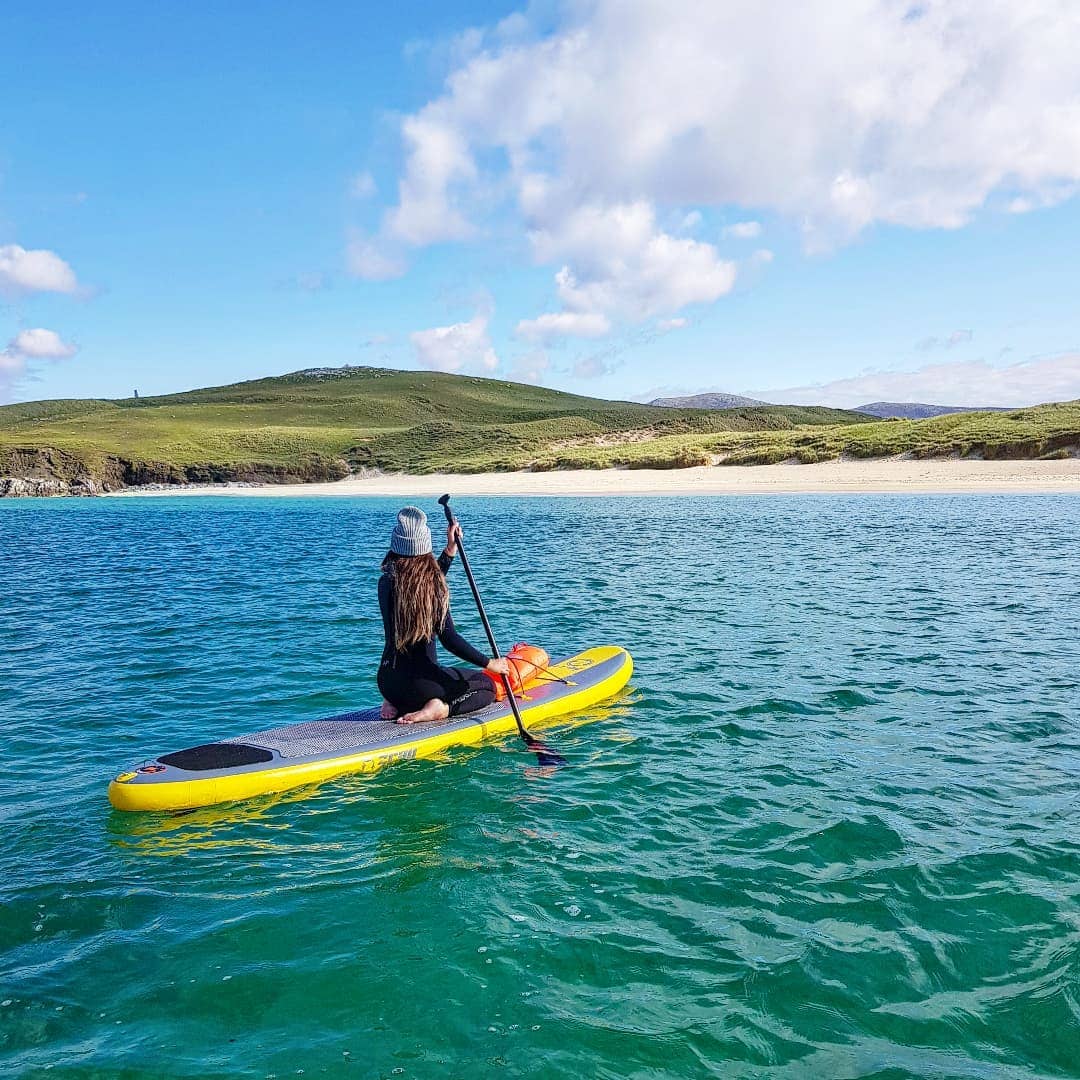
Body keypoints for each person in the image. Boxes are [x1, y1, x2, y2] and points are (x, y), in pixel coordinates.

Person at [377, 506, 510, 724]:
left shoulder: (386, 581)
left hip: (387, 682)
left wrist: (449, 551)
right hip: (421, 687)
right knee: (486, 686)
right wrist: (490, 663)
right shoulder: (434, 587)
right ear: (425, 544)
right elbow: (450, 639)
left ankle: (393, 702)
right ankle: (439, 709)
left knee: (406, 674)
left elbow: (418, 584)